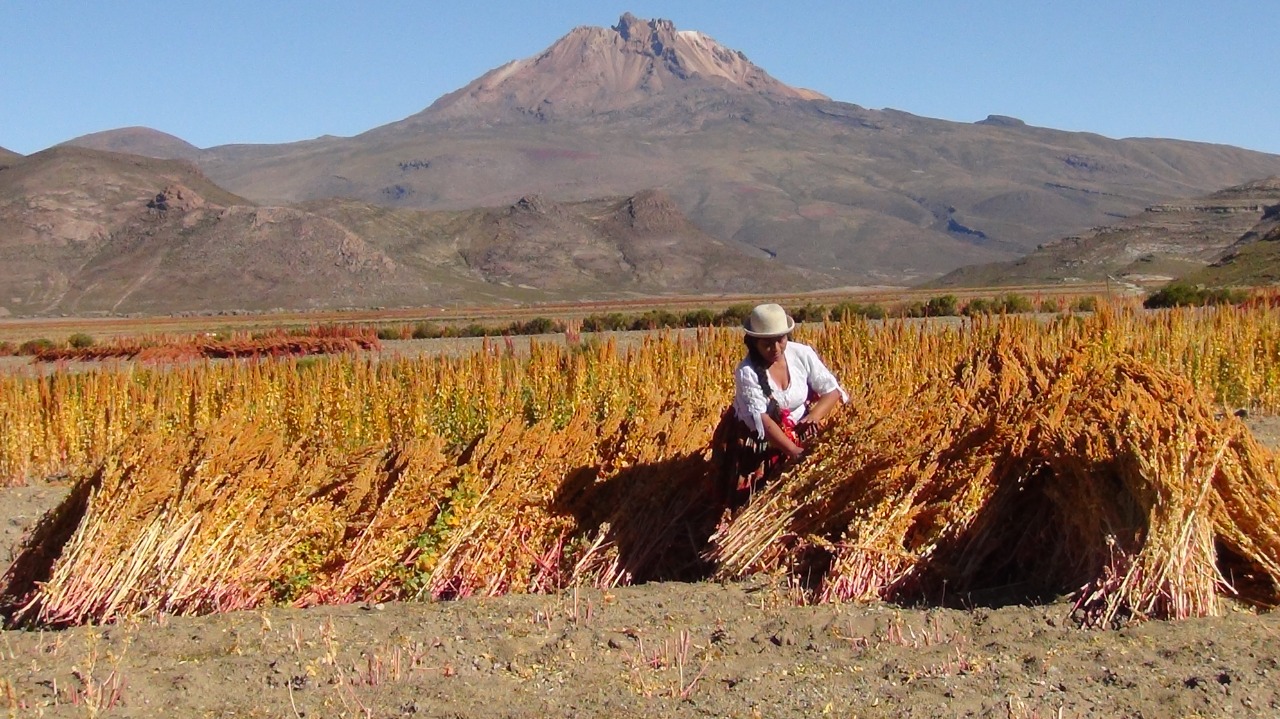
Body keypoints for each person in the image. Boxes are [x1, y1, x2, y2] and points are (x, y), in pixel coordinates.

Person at [713, 303, 847, 505]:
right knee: (750, 501)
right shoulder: (747, 371)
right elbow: (761, 419)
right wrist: (794, 452)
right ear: (754, 343)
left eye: (780, 340)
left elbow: (832, 390)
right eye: (767, 343)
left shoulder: (801, 354)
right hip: (757, 440)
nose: (775, 349)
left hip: (798, 431)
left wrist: (813, 417)